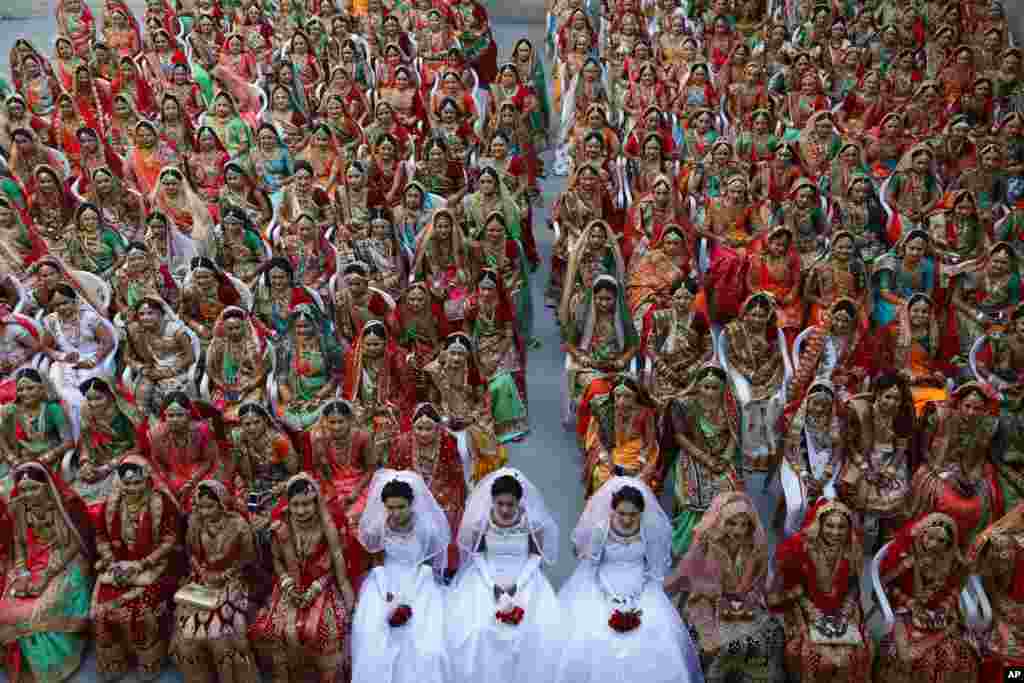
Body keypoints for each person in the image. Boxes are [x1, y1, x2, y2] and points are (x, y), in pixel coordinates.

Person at [556, 477, 703, 683]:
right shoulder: (601, 530)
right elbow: (592, 566)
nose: (626, 519)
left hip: (640, 587)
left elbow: (653, 569)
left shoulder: (647, 532)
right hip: (604, 584)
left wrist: (639, 594)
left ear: (641, 513)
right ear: (613, 510)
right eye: (621, 513)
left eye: (633, 515)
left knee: (655, 636)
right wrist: (606, 595)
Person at [446, 468, 564, 683]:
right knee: (479, 630)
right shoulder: (481, 523)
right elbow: (478, 555)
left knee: (531, 632)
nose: (505, 509)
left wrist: (518, 584)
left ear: (519, 502)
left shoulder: (532, 523)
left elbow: (535, 557)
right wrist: (492, 583)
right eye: (500, 503)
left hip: (524, 578)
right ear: (493, 501)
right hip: (486, 577)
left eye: (510, 504)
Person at [666, 491, 785, 683]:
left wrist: (746, 601)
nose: (738, 531)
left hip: (745, 605)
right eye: (731, 523)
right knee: (715, 643)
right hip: (707, 603)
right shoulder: (708, 546)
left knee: (763, 639)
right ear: (721, 522)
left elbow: (757, 586)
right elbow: (701, 590)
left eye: (744, 524)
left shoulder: (755, 548)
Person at [249, 473, 356, 683]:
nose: (301, 510)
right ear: (288, 504)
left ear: (316, 503)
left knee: (326, 632)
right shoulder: (280, 524)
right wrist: (287, 583)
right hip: (290, 586)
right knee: (278, 632)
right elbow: (277, 560)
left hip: (322, 585)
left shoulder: (329, 526)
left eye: (307, 504)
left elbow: (337, 568)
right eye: (296, 504)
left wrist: (318, 587)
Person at [351, 469, 451, 683]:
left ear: (411, 503)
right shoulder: (380, 526)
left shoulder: (426, 528)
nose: (395, 513)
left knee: (425, 641)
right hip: (385, 579)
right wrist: (386, 590)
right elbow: (377, 558)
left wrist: (414, 592)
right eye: (390, 508)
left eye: (401, 507)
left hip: (419, 580)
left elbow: (429, 561)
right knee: (375, 638)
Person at [0, 462, 94, 683]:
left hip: (64, 561)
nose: (27, 494)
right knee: (7, 608)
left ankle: (53, 666)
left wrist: (47, 574)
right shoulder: (18, 508)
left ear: (46, 486)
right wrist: (21, 573)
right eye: (23, 490)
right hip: (31, 564)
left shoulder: (65, 506)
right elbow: (19, 546)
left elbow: (74, 544)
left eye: (33, 488)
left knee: (40, 609)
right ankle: (24, 666)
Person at [92, 456, 180, 682]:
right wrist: (112, 562)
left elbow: (170, 539)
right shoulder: (110, 505)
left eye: (137, 483)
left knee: (138, 611)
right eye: (127, 484)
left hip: (156, 565)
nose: (132, 488)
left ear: (147, 481)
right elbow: (100, 536)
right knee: (100, 610)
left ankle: (149, 661)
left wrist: (141, 564)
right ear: (120, 483)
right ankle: (116, 661)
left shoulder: (161, 503)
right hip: (117, 565)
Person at [767, 500, 874, 683]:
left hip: (841, 609)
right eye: (830, 526)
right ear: (820, 525)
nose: (836, 532)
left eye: (841, 527)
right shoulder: (802, 549)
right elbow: (794, 590)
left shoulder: (851, 549)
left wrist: (846, 610)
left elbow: (853, 587)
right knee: (818, 655)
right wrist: (813, 613)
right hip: (806, 608)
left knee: (855, 652)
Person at [171, 480, 259, 683]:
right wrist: (201, 572)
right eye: (201, 507)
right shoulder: (195, 522)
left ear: (222, 504)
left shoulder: (238, 525)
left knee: (222, 633)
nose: (205, 512)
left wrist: (230, 572)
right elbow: (191, 553)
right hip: (202, 581)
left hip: (233, 581)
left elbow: (248, 557)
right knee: (188, 634)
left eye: (210, 506)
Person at [874, 513, 980, 683]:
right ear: (921, 534)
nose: (933, 545)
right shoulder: (907, 557)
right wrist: (909, 603)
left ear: (949, 543)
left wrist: (945, 607)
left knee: (957, 654)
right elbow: (887, 584)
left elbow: (956, 589)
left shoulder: (952, 562)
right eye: (929, 538)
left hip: (941, 615)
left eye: (941, 541)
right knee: (913, 657)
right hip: (908, 612)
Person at [718, 292, 790, 473]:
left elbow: (778, 357)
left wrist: (763, 373)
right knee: (746, 399)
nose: (757, 319)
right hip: (741, 372)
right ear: (746, 314)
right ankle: (749, 452)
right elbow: (731, 357)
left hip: (769, 374)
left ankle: (766, 453)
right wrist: (750, 373)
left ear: (767, 316)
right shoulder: (734, 331)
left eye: (761, 315)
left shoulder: (773, 332)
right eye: (753, 314)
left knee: (775, 400)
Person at [967, 503, 1024, 680]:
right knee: (1014, 668)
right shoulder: (1003, 544)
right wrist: (1001, 621)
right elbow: (991, 590)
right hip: (1008, 612)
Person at [70, 377, 143, 508]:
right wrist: (85, 463)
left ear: (111, 396)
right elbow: (85, 445)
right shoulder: (87, 415)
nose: (93, 403)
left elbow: (139, 447)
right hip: (97, 464)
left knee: (111, 499)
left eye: (98, 398)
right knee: (75, 499)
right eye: (89, 399)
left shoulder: (125, 415)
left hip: (123, 462)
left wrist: (110, 466)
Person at [0, 368, 75, 477]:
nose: (25, 393)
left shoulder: (52, 408)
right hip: (19, 460)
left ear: (42, 388)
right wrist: (10, 456)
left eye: (30, 388)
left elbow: (69, 441)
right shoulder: (12, 409)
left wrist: (48, 456)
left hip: (48, 459)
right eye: (20, 390)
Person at [205, 307, 272, 422]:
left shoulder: (254, 346)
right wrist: (222, 385)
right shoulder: (218, 346)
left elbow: (262, 372)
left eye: (237, 328)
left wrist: (247, 386)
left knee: (246, 414)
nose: (234, 331)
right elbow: (212, 371)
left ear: (244, 327)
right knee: (216, 415)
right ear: (224, 329)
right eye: (230, 329)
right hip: (224, 388)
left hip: (250, 388)